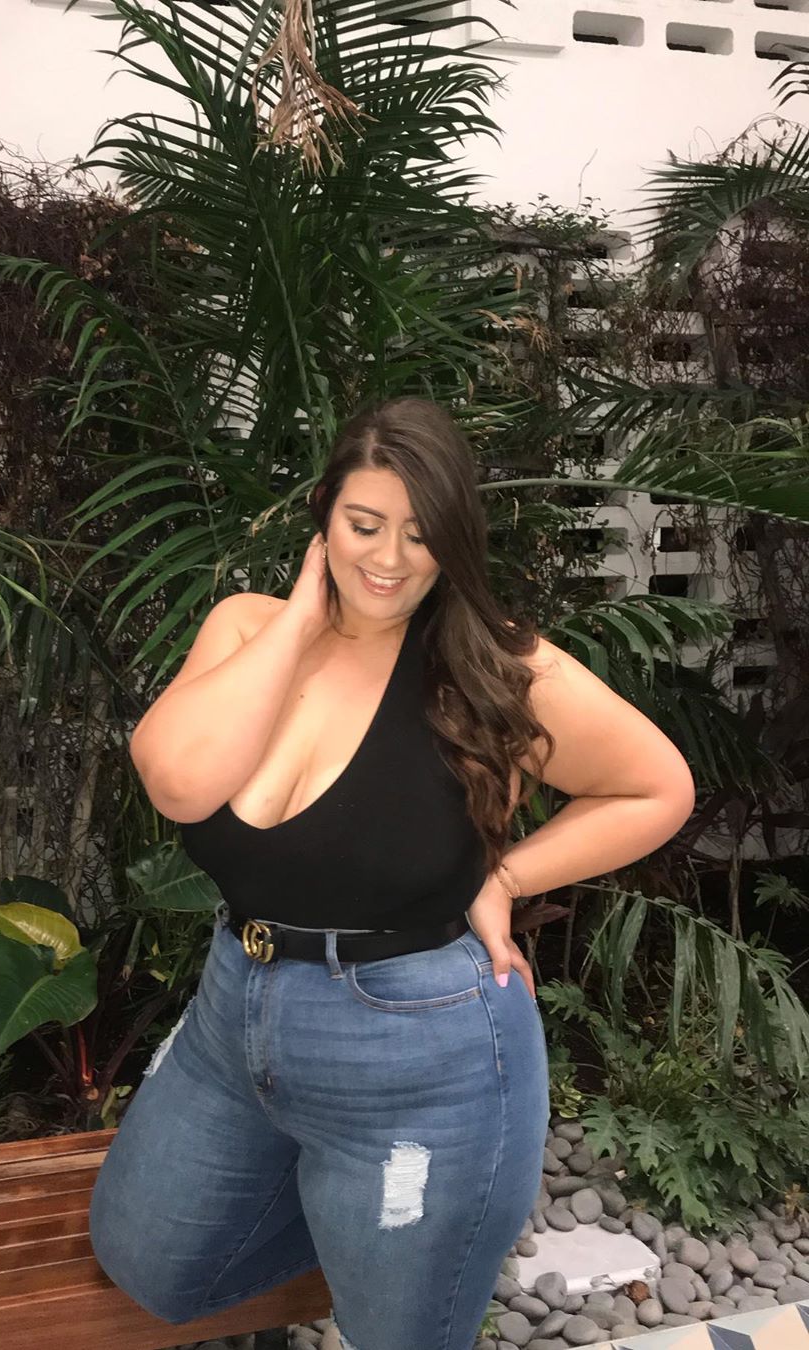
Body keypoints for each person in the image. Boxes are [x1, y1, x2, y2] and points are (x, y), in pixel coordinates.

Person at [88, 397, 696, 1350]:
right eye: (365, 524)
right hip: (233, 1014)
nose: (391, 558)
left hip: (420, 1054)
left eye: (421, 534)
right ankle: (350, 1212)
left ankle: (420, 1224)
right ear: (324, 514)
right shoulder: (248, 628)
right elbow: (175, 781)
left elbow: (656, 787)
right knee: (150, 1262)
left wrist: (505, 878)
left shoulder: (492, 669)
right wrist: (303, 618)